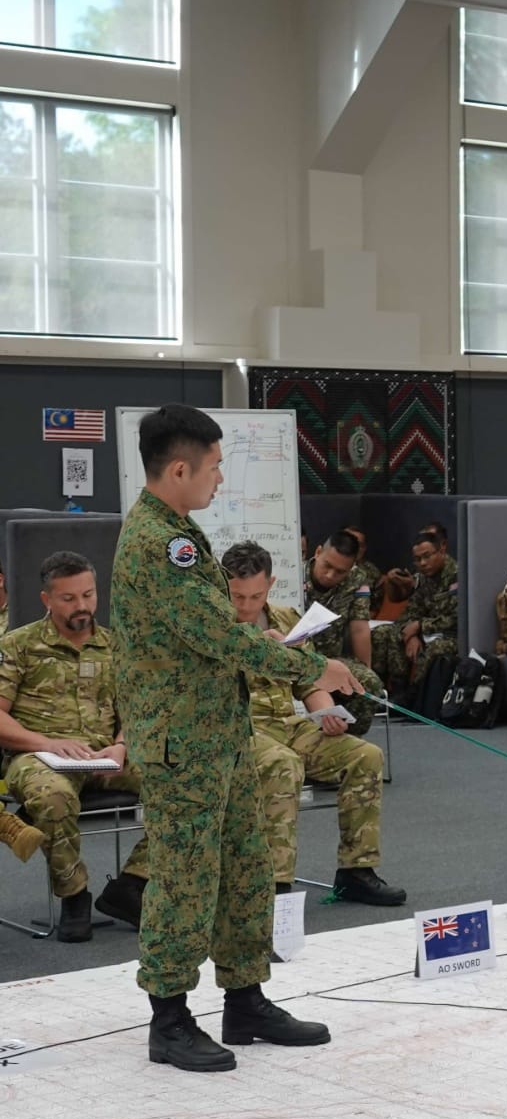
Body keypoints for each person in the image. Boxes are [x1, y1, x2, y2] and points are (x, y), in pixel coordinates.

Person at [113, 404, 359, 1073]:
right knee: (185, 878)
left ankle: (244, 1000)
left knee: (245, 869)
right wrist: (316, 669)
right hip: (180, 742)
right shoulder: (160, 544)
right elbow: (220, 636)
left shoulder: (180, 531)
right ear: (182, 467)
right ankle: (168, 1017)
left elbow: (213, 637)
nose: (221, 478)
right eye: (216, 466)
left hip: (218, 734)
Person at [219, 543, 405, 908]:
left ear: (270, 584)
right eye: (236, 596)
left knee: (365, 755)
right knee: (283, 764)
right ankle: (275, 887)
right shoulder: (214, 628)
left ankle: (357, 870)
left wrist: (327, 713)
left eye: (255, 595)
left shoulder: (286, 618)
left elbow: (308, 683)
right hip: (242, 728)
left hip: (289, 726)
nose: (245, 605)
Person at [0, 552, 149, 940]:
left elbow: (139, 709)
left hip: (105, 756)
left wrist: (120, 746)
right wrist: (47, 743)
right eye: (68, 598)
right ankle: (74, 895)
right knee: (52, 799)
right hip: (37, 758)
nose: (81, 605)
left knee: (188, 783)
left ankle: (132, 884)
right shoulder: (18, 645)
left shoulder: (118, 646)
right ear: (47, 600)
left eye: (88, 594)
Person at [305, 531, 384, 734]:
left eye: (340, 571)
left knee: (368, 684)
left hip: (332, 658)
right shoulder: (295, 573)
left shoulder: (357, 580)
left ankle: (346, 741)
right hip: (297, 657)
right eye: (327, 566)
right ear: (318, 552)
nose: (331, 575)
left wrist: (364, 672)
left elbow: (359, 628)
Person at [369, 532, 460, 704]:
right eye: (417, 559)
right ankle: (390, 690)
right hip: (428, 631)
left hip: (454, 635)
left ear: (441, 550)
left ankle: (415, 696)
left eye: (427, 556)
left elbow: (457, 617)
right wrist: (411, 634)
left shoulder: (458, 575)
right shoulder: (424, 579)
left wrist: (419, 626)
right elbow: (410, 612)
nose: (422, 563)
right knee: (384, 632)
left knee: (435, 648)